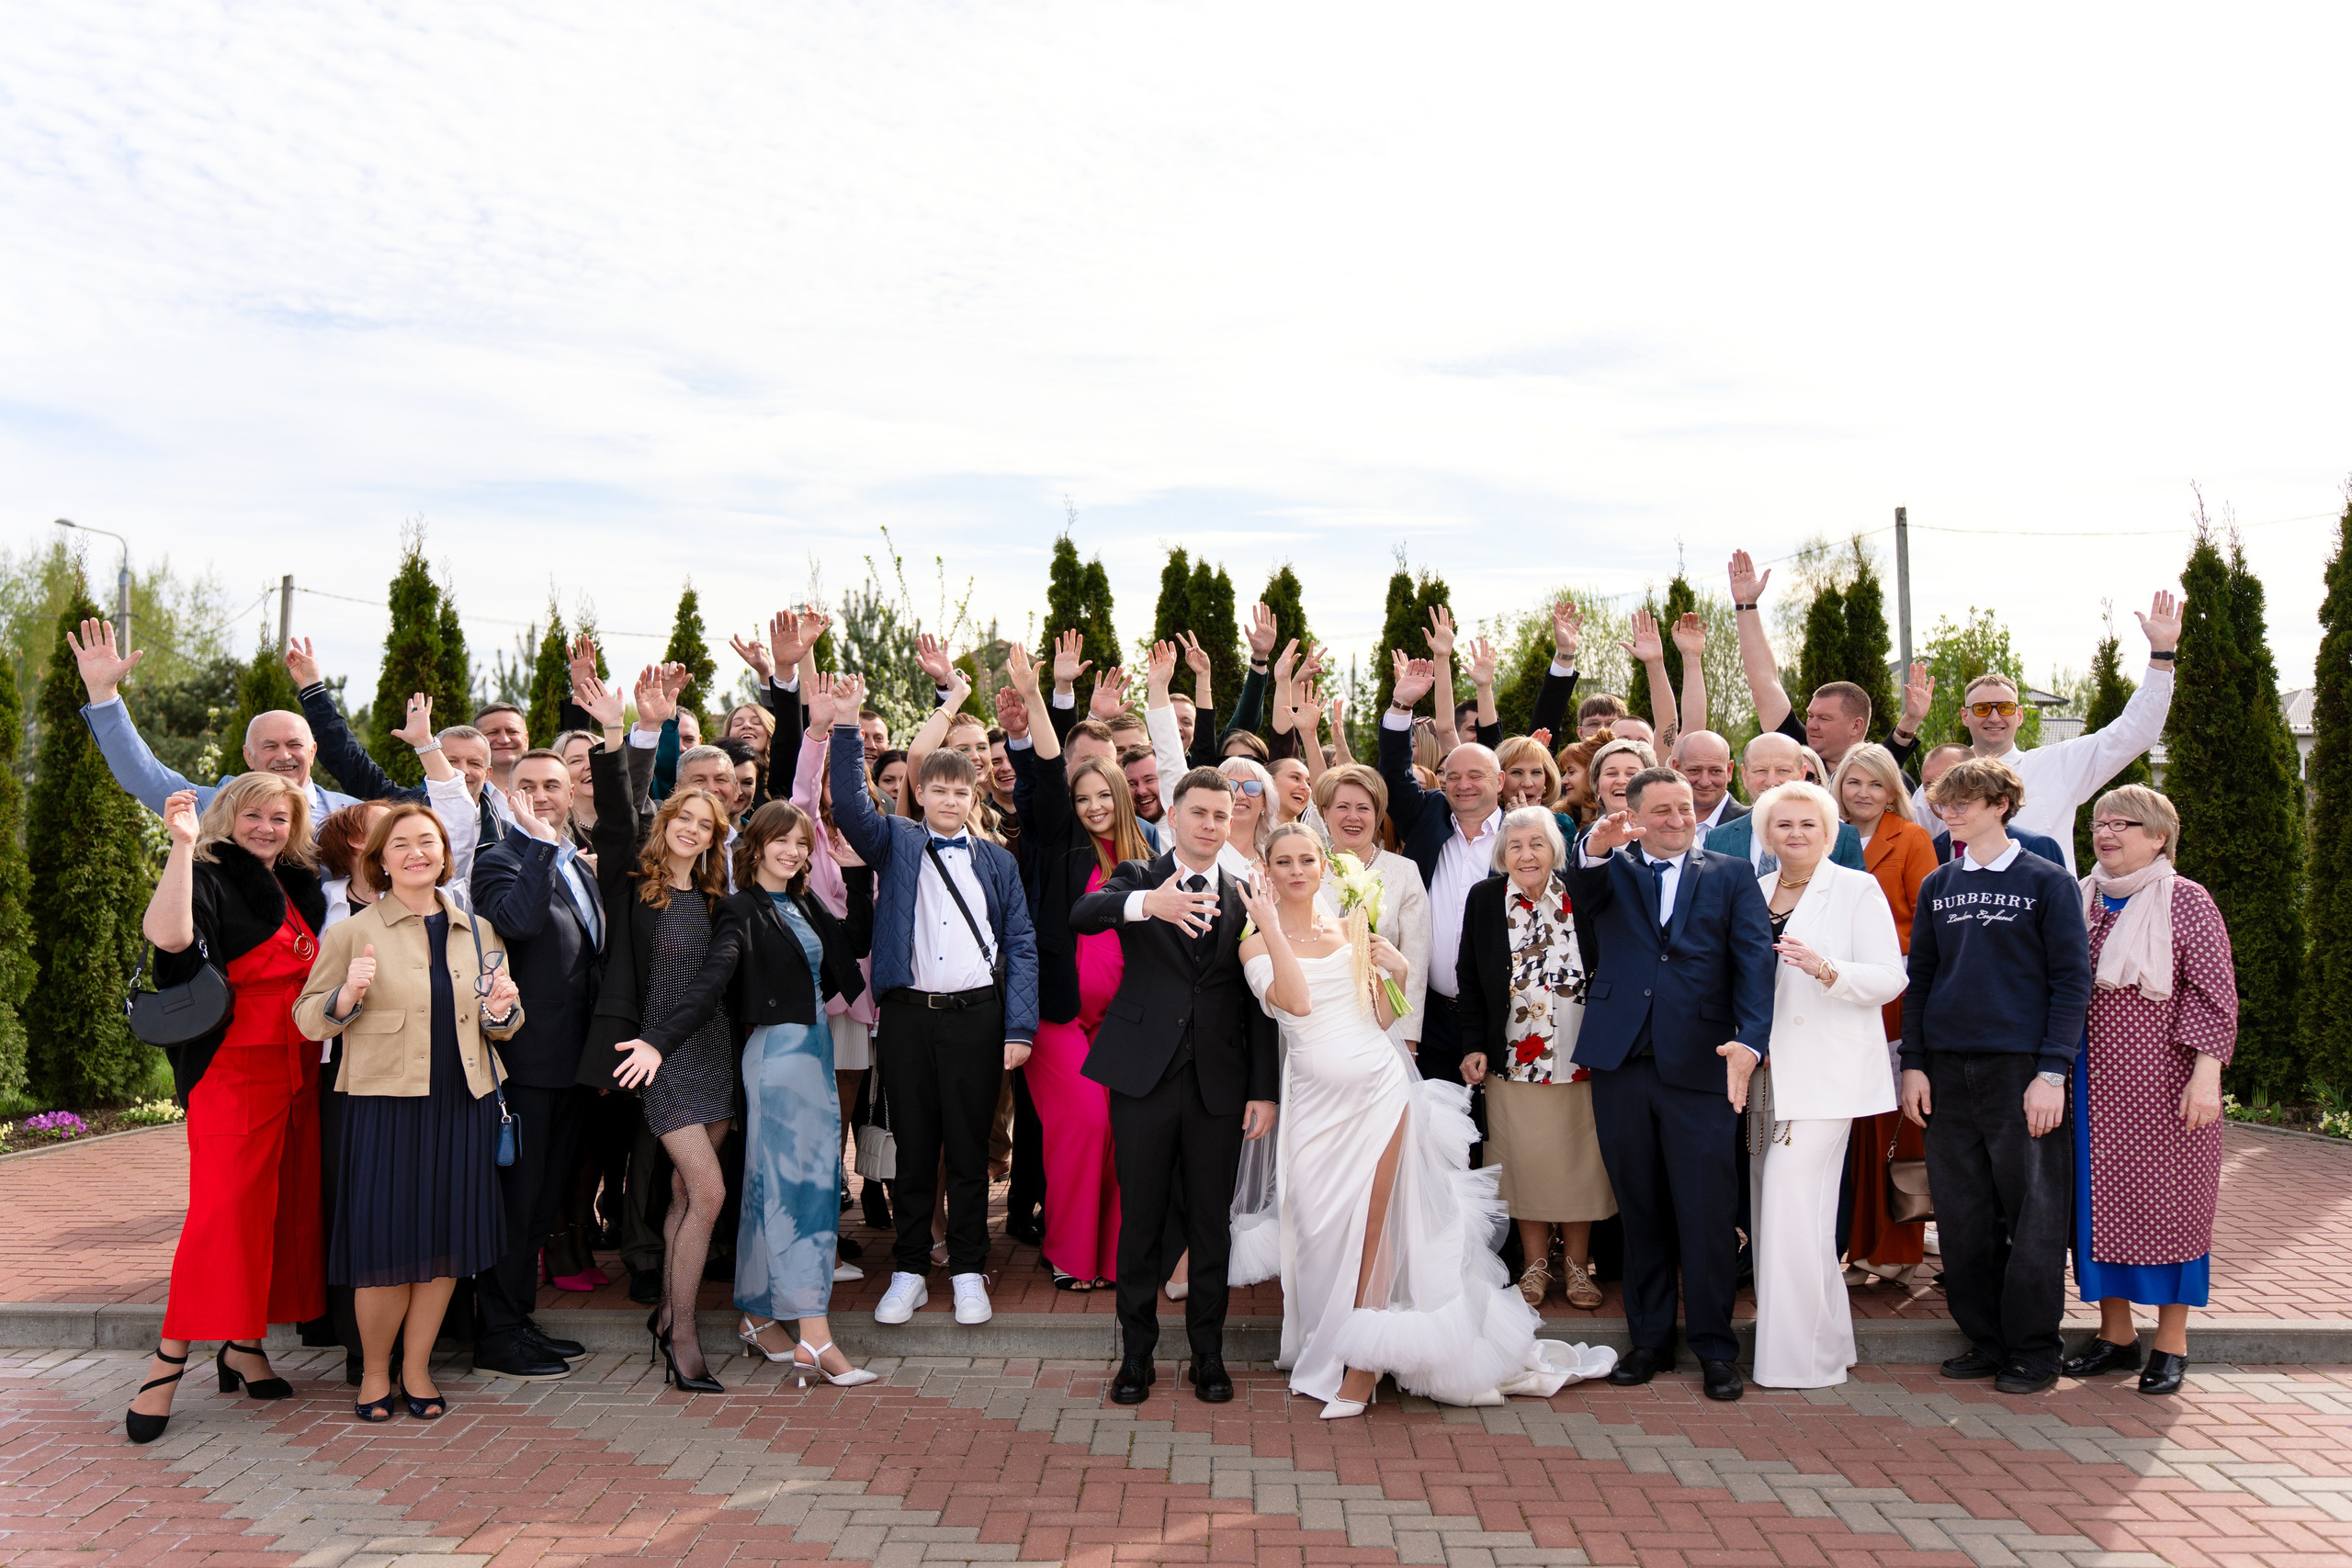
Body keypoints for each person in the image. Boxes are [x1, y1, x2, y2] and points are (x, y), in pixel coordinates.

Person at [1237, 821, 1599, 1416]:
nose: (1297, 870)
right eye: (1284, 861)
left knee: (1378, 1227)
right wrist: (1273, 926)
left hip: (1379, 1090)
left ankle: (1362, 1365)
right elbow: (1296, 1003)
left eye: (1307, 859)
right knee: (1320, 1227)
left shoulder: (1353, 927)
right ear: (1268, 870)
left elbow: (1380, 1016)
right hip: (1314, 1102)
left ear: (1324, 867)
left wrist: (1398, 971)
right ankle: (1327, 1341)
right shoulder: (1255, 941)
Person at [632, 800, 880, 1388]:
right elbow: (709, 981)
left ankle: (758, 1315)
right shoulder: (740, 909)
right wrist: (657, 1043)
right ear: (757, 845)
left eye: (802, 844)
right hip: (777, 1059)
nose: (793, 852)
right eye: (782, 842)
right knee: (801, 1194)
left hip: (813, 1051)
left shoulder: (801, 901)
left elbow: (851, 952)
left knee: (777, 1187)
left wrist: (853, 875)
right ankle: (815, 1338)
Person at [296, 802, 523, 1423]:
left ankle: (418, 1368)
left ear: (445, 855)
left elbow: (502, 1022)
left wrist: (503, 1009)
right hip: (384, 1108)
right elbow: (307, 1015)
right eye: (401, 844)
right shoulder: (351, 932)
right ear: (380, 859)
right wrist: (347, 995)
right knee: (384, 1248)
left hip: (463, 1103)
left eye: (428, 841)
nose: (417, 852)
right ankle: (374, 1371)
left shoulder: (478, 930)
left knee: (446, 1245)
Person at [827, 672, 1039, 1331]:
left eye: (960, 789)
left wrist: (1020, 1026)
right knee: (914, 1149)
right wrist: (843, 725)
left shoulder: (998, 860)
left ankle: (969, 1269)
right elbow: (847, 802)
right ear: (919, 792)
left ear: (974, 794)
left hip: (977, 1017)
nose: (949, 798)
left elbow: (1021, 943)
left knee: (970, 1150)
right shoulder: (898, 841)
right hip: (910, 1017)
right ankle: (912, 1269)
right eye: (937, 788)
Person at [123, 776, 330, 1445]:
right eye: (253, 814)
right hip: (234, 1073)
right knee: (221, 1216)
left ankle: (243, 1346)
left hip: (295, 1070)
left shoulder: (295, 882)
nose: (266, 826)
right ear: (227, 815)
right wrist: (181, 848)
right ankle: (168, 1361)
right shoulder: (206, 870)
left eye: (279, 816)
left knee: (275, 1213)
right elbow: (171, 936)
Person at [1070, 765, 1279, 1404]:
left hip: (1219, 1084)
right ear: (1175, 814)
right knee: (1142, 1220)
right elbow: (1083, 914)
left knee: (1211, 1225)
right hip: (1143, 1080)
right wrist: (1147, 903)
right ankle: (1136, 1359)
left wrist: (1264, 1088)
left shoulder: (1247, 891)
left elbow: (1256, 1001)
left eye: (1222, 814)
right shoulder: (1138, 875)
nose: (1212, 824)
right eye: (1200, 813)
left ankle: (1207, 1356)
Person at [1566, 768, 1775, 1402]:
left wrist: (1751, 1040)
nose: (1678, 818)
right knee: (1641, 1205)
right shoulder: (1611, 867)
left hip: (1702, 1060)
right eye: (1662, 810)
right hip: (1621, 1059)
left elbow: (1754, 960)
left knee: (1708, 1210)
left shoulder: (1732, 873)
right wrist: (1597, 845)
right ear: (1636, 814)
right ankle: (1650, 1340)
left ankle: (1715, 1348)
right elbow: (1583, 882)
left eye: (1684, 807)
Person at [1899, 756, 2093, 1395]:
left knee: (2035, 1211)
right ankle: (1984, 1338)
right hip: (1948, 1071)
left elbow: (2071, 982)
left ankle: (2035, 1348)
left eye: (1964, 803)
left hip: (2021, 1070)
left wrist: (2051, 1072)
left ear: (2000, 804)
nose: (1951, 813)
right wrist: (1916, 1063)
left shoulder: (2048, 881)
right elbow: (1921, 979)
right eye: (1945, 804)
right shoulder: (1940, 884)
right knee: (1962, 1213)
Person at [575, 668, 741, 1392]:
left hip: (711, 1054)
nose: (691, 829)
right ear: (668, 818)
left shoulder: (720, 904)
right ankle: (681, 1334)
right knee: (707, 1195)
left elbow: (713, 986)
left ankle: (667, 1316)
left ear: (714, 839)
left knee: (682, 1195)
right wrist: (621, 732)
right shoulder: (632, 881)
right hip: (657, 1060)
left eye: (705, 826)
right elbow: (617, 811)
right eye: (683, 817)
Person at [2059, 786, 2237, 1396]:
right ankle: (2114, 1336)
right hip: (2088, 1084)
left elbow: (2213, 994)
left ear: (2159, 834)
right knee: (2096, 1207)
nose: (2106, 833)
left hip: (2168, 1088)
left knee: (2172, 1210)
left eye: (2122, 824)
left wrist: (2207, 1074)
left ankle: (2170, 1342)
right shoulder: (2078, 898)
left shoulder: (2186, 900)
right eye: (2099, 824)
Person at [1743, 783, 1907, 1389]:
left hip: (1826, 1076)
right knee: (1781, 1216)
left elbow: (1891, 977)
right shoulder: (1753, 891)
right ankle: (1828, 1345)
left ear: (1828, 830)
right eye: (1783, 823)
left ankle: (1798, 1361)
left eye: (1808, 823)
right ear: (1765, 834)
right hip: (1764, 1076)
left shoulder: (1855, 888)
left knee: (1794, 1211)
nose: (1796, 833)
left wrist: (1827, 968)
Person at [1003, 642, 1145, 1292]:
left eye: (1101, 795)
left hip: (1120, 1026)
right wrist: (1037, 697)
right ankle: (1068, 1251)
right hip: (1056, 1018)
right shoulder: (1059, 843)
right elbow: (1047, 767)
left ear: (1120, 794)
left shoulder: (1145, 861)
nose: (1092, 806)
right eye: (1081, 796)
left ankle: (1111, 1260)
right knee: (1085, 1122)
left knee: (1120, 1130)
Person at [464, 748, 607, 1382]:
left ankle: (519, 1321)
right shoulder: (498, 860)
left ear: (573, 791)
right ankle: (496, 1331)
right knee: (517, 1206)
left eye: (554, 784)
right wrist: (541, 845)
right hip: (524, 1068)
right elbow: (518, 923)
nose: (543, 794)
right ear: (505, 791)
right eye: (527, 785)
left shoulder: (578, 865)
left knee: (542, 1204)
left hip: (573, 1069)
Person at [1453, 807, 1613, 1312]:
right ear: (1503, 854)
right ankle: (1535, 1265)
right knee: (1522, 1162)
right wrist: (1473, 1044)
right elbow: (1470, 978)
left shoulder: (1579, 894)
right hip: (1514, 1059)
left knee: (1580, 1164)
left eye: (1537, 843)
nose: (1526, 854)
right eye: (1516, 845)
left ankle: (1578, 1266)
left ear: (1555, 851)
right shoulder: (1484, 899)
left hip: (1580, 1056)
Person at [1913, 592, 2183, 872]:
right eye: (1982, 708)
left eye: (2005, 707)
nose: (1994, 716)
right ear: (1965, 716)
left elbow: (2136, 732)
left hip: (2044, 913)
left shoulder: (2058, 765)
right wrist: (1909, 724)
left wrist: (2162, 656)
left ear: (2019, 715)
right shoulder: (1936, 785)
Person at [1832, 743, 1941, 1287]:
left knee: (1893, 1123)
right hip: (1834, 989)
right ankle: (1857, 1247)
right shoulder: (1826, 834)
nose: (1863, 793)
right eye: (1854, 782)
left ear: (1891, 790)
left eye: (1875, 784)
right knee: (1850, 1127)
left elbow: (1928, 918)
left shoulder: (1912, 838)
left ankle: (1897, 1249)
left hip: (1893, 991)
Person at [71, 618, 357, 824]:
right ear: (248, 756)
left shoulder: (353, 816)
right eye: (270, 746)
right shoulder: (216, 807)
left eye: (294, 744)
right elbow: (145, 775)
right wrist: (104, 694)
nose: (284, 755)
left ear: (313, 751)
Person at [1379, 657, 1505, 1083]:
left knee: (1496, 1134)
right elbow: (1394, 775)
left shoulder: (1521, 835)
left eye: (1476, 775)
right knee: (1434, 1128)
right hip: (1428, 1015)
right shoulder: (1428, 814)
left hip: (1500, 1015)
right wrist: (1400, 706)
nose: (1463, 784)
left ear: (1500, 782)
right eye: (1453, 776)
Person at [1725, 551, 1933, 773]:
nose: (1812, 725)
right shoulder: (1798, 748)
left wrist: (1911, 719)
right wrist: (1746, 605)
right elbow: (1765, 684)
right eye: (1811, 716)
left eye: (1824, 718)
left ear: (1856, 726)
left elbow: (1891, 755)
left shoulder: (1876, 773)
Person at [1311, 764, 1431, 1060]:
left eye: (1363, 808)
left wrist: (1407, 1035)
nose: (1353, 817)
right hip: (1315, 1021)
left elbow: (1414, 959)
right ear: (1325, 813)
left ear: (1377, 815)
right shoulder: (1308, 870)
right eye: (1342, 807)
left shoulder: (1403, 872)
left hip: (1380, 1022)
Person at [1701, 734, 1867, 874]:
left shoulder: (1841, 837)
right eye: (1760, 771)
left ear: (1802, 774)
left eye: (1783, 770)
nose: (1772, 781)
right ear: (1744, 776)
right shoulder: (1717, 840)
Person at [1670, 731, 1746, 846]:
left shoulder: (1751, 825)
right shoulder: (1657, 822)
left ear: (1729, 771)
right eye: (1695, 770)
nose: (1704, 782)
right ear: (1676, 768)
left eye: (1715, 771)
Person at [1586, 736, 1657, 825]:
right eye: (1611, 773)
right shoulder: (1582, 836)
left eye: (1631, 774)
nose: (1621, 781)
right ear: (1596, 785)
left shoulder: (1661, 835)